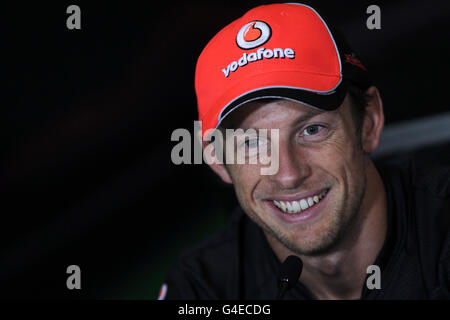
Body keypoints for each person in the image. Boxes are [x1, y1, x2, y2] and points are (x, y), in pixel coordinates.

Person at [161, 3, 450, 299]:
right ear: (216, 160)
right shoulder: (203, 288)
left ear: (369, 123)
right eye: (251, 142)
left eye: (312, 130)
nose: (288, 175)